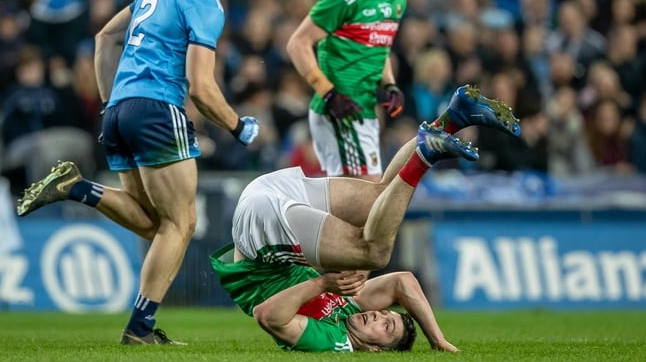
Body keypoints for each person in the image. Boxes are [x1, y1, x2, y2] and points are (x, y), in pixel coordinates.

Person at [15, 0, 258, 345]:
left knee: (153, 224)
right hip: (158, 108)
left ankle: (77, 187)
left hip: (119, 112)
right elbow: (201, 88)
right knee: (182, 222)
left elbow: (104, 37)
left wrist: (111, 101)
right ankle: (139, 329)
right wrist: (239, 126)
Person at [210, 85, 521, 352]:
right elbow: (402, 281)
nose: (379, 316)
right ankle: (453, 118)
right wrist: (436, 339)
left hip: (259, 234)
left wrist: (323, 283)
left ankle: (426, 155)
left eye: (386, 328)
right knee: (379, 198)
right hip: (270, 196)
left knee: (375, 253)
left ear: (374, 349)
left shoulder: (334, 340)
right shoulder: (351, 308)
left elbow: (267, 315)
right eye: (387, 315)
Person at [286, 0, 411, 181]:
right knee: (367, 194)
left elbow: (378, 46)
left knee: (353, 199)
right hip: (340, 110)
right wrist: (329, 93)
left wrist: (389, 85)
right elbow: (297, 43)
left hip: (364, 108)